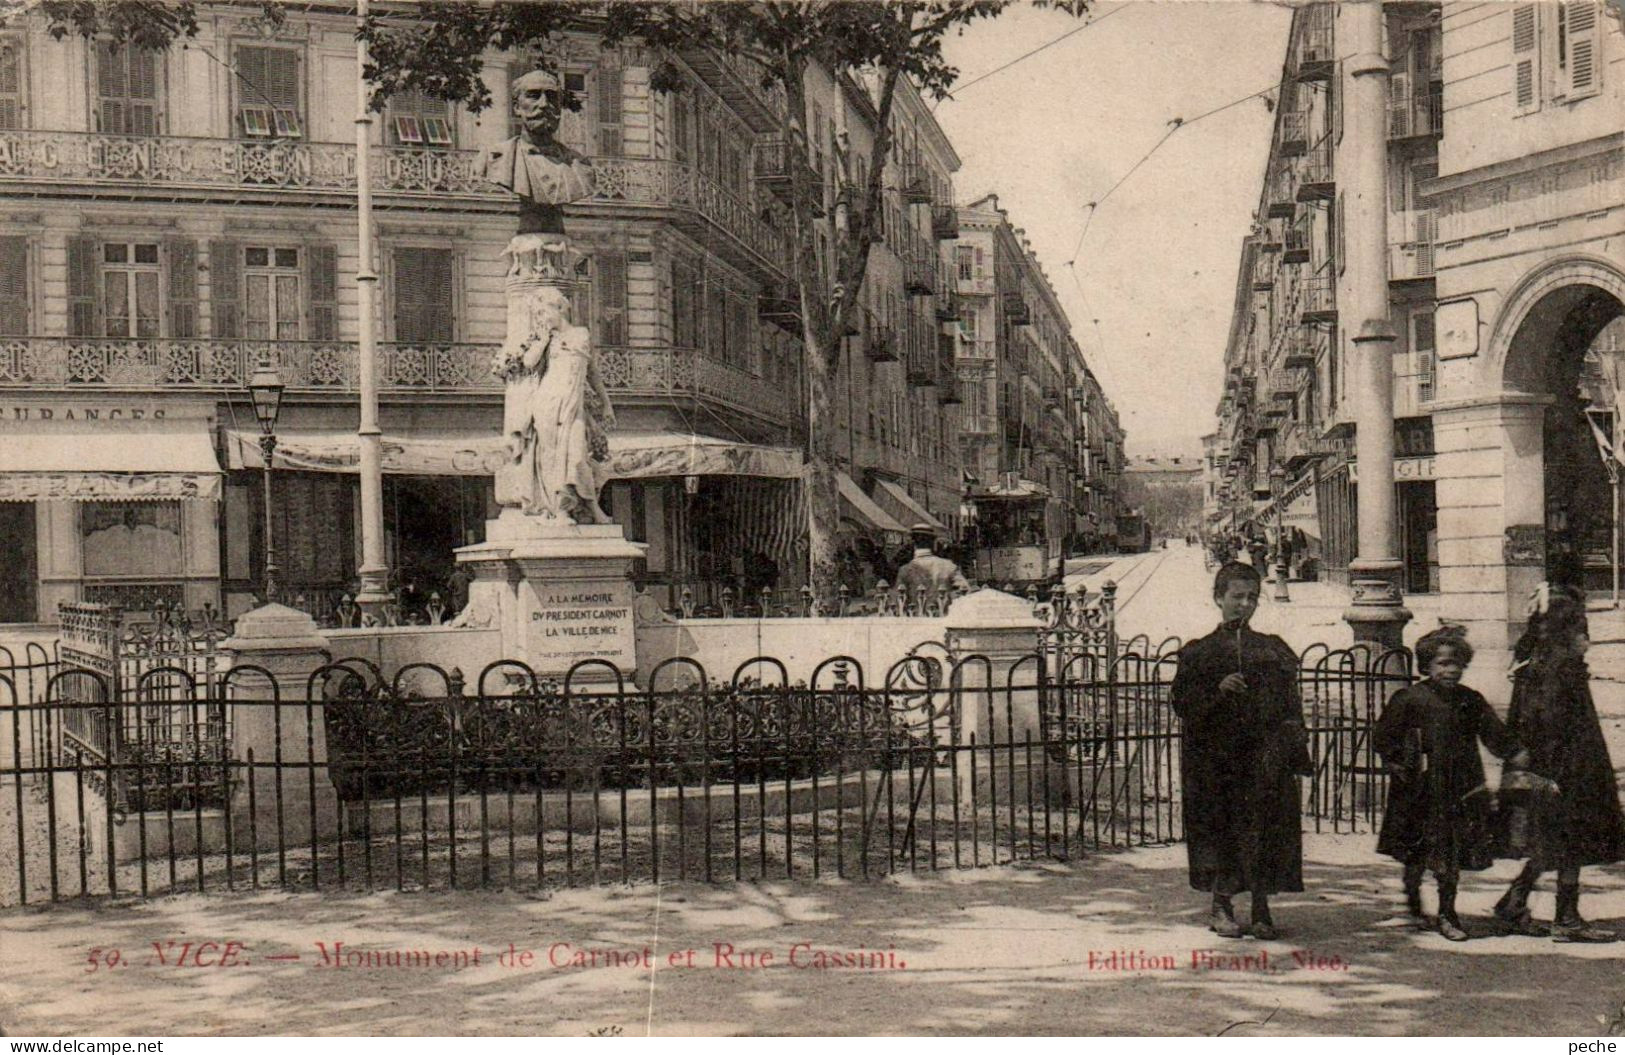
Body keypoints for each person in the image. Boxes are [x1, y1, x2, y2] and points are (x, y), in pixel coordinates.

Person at [1170, 561, 1311, 939]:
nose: (1244, 605)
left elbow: (1291, 705)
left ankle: (1262, 908)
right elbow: (1182, 703)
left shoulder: (1273, 650)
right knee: (1222, 830)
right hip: (1217, 761)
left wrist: (1294, 747)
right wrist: (1218, 690)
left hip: (1264, 758)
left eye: (1252, 598)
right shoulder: (1199, 653)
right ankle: (1221, 906)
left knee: (1265, 829)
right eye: (1237, 597)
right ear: (1218, 598)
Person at [1373, 627, 1525, 941]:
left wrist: (1517, 752)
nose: (1450, 670)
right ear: (1426, 665)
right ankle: (1413, 900)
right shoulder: (1409, 699)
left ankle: (1447, 912)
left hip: (1460, 788)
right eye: (1442, 663)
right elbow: (1384, 737)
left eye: (1456, 663)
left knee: (1451, 854)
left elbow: (1493, 734)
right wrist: (1397, 762)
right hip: (1419, 789)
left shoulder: (1471, 700)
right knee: (1415, 853)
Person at [1492, 584, 1625, 942]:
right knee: (1570, 841)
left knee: (1555, 842)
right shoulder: (1557, 672)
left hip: (1561, 769)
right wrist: (1557, 774)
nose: (1588, 640)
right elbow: (1549, 727)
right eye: (1583, 632)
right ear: (1566, 634)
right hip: (1565, 772)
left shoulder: (1544, 664)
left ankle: (1515, 901)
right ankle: (1565, 918)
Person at [894, 525, 971, 603]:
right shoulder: (949, 566)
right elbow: (965, 591)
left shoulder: (905, 570)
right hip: (945, 613)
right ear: (933, 543)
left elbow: (897, 602)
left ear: (913, 544)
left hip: (916, 614)